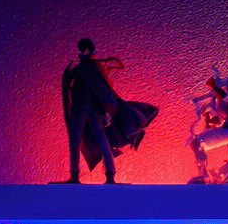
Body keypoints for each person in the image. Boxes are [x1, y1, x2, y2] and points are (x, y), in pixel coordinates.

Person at [59, 37, 158, 184]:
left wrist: (109, 107)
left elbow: (104, 90)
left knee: (100, 141)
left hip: (92, 111)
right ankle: (77, 175)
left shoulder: (92, 68)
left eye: (86, 50)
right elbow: (77, 89)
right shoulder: (82, 69)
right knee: (78, 141)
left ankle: (109, 175)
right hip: (81, 110)